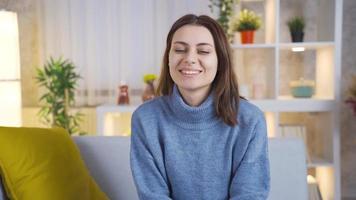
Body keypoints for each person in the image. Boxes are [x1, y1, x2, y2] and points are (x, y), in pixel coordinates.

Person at [130, 14, 270, 200]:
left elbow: (250, 195)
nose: (190, 59)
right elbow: (153, 195)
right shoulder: (145, 119)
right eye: (180, 49)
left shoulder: (250, 119)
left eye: (203, 51)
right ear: (168, 58)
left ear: (220, 60)